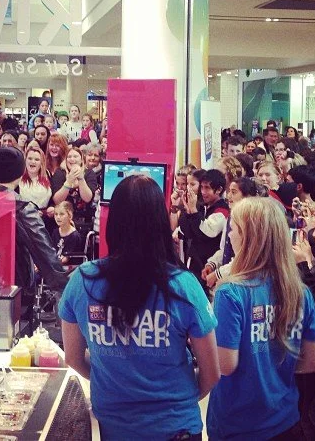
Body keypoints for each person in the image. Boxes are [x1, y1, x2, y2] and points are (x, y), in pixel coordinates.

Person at [59, 174, 220, 440]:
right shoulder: (184, 285)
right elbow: (211, 372)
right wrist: (174, 401)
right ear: (160, 221)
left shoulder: (84, 280)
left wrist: (114, 384)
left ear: (114, 222)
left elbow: (74, 358)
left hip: (116, 427)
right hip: (177, 427)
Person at [207, 197, 315, 440]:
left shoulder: (230, 293)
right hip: (285, 418)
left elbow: (226, 365)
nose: (229, 236)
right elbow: (313, 361)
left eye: (233, 228)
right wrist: (272, 369)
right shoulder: (300, 292)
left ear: (248, 237)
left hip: (238, 424)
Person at [0, 146, 68, 291]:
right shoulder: (22, 208)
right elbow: (43, 251)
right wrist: (64, 284)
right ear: (20, 173)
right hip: (14, 282)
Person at [51, 146, 98, 232]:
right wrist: (68, 183)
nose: (72, 159)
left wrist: (81, 178)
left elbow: (87, 198)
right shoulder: (60, 173)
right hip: (62, 221)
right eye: (69, 157)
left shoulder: (89, 173)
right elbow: (57, 200)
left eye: (75, 156)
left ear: (81, 160)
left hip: (84, 222)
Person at [19, 147, 52, 211]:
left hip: (44, 218)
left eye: (37, 159)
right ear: (25, 160)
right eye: (30, 158)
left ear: (41, 163)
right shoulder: (18, 178)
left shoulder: (48, 175)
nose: (33, 162)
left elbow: (52, 201)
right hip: (23, 218)